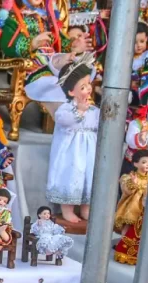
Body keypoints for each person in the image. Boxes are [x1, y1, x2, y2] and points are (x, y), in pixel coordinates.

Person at [46, 54, 100, 223]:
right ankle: (67, 210)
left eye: (88, 85)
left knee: (89, 178)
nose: (88, 89)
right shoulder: (66, 108)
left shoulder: (93, 109)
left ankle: (86, 208)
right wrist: (80, 112)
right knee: (71, 177)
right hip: (71, 153)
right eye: (83, 87)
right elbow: (63, 120)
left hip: (89, 151)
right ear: (71, 91)